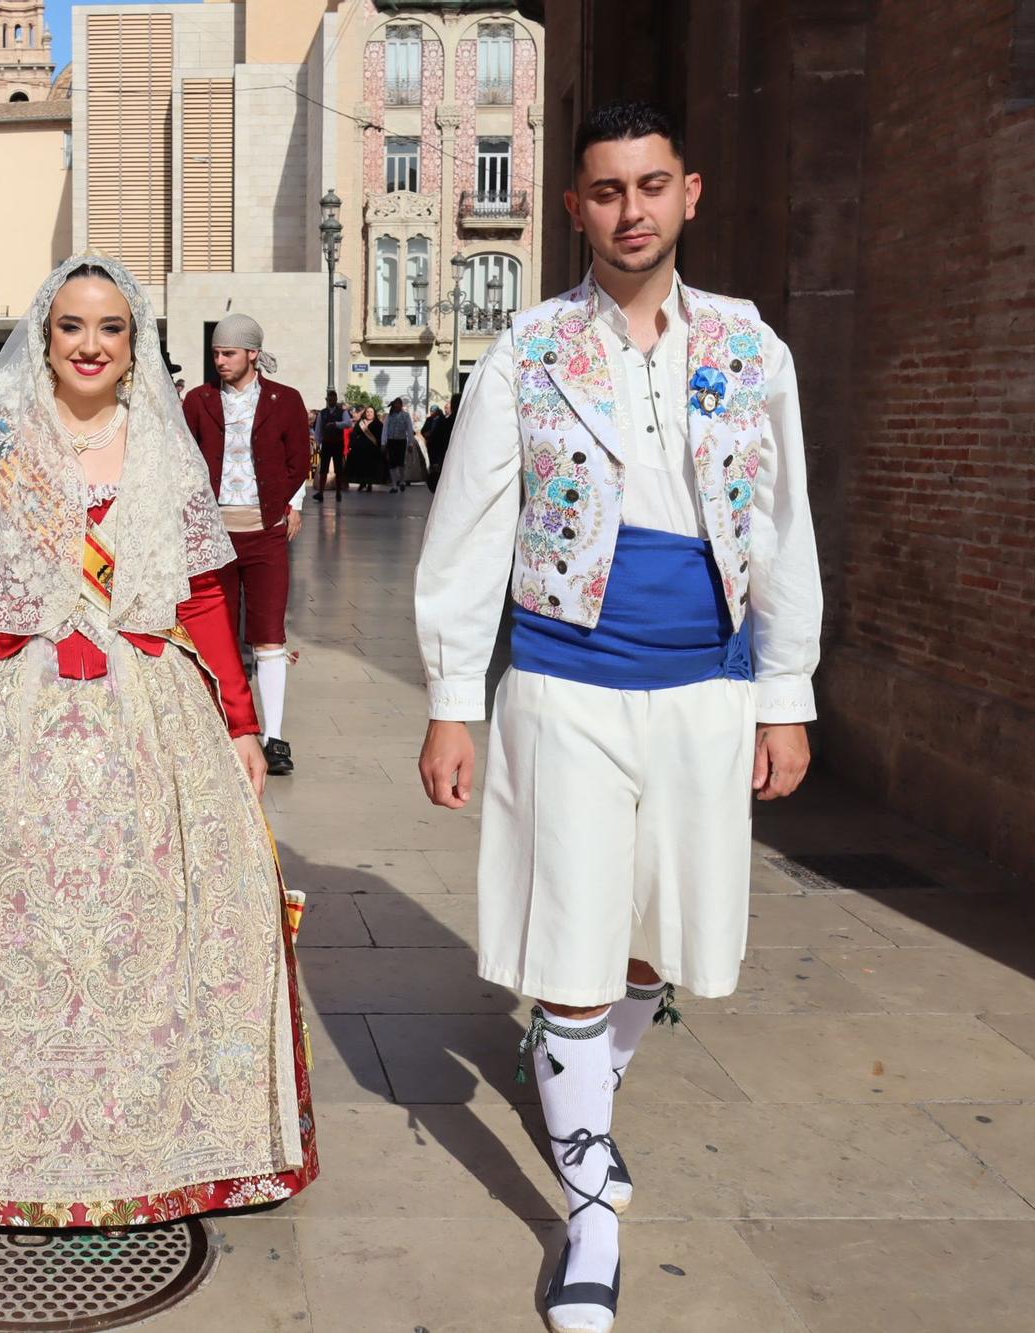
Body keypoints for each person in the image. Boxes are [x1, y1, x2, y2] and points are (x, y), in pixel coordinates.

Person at [413, 101, 821, 1333]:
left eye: (650, 186)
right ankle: (586, 1200)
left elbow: (784, 524)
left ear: (687, 193)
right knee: (576, 935)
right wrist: (449, 699)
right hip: (563, 676)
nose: (629, 210)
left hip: (707, 681)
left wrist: (785, 692)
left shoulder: (752, 348)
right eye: (604, 190)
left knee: (652, 934)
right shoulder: (526, 350)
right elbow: (470, 532)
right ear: (574, 204)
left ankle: (578, 1094)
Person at [0, 255, 317, 1228]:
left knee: (143, 922)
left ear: (132, 343)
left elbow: (198, 589)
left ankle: (141, 1138)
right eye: (71, 325)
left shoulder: (158, 440)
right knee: (6, 923)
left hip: (144, 713)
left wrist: (240, 721)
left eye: (109, 328)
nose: (89, 344)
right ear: (43, 332)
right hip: (11, 709)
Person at [183, 315, 311, 775]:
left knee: (269, 634)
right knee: (215, 632)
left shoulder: (286, 401)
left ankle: (274, 736)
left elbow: (300, 457)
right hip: (213, 534)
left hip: (264, 533)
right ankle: (226, 729)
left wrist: (286, 505)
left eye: (229, 353)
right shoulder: (198, 401)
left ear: (253, 354)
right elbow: (184, 458)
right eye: (216, 353)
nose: (220, 361)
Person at [311, 390, 349, 502]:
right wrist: (318, 443)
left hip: (338, 443)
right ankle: (321, 493)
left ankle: (338, 492)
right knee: (323, 469)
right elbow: (318, 430)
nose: (331, 401)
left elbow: (348, 423)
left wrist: (336, 424)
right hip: (327, 443)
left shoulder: (342, 412)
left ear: (336, 399)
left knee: (338, 468)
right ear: (327, 400)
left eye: (333, 399)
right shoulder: (322, 413)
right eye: (330, 399)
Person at [382, 396, 416, 491]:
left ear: (401, 405)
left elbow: (409, 429)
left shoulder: (406, 415)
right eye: (394, 405)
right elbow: (385, 429)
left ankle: (401, 480)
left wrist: (410, 443)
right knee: (392, 462)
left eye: (398, 404)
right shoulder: (389, 416)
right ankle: (394, 485)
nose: (396, 406)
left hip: (401, 441)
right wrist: (383, 442)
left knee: (401, 462)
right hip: (391, 441)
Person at [419, 404, 450, 492]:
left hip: (440, 444)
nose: (432, 413)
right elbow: (423, 430)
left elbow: (444, 432)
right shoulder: (429, 420)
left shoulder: (442, 420)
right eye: (431, 411)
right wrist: (426, 435)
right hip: (431, 444)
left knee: (439, 461)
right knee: (432, 462)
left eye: (433, 411)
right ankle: (433, 479)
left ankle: (439, 478)